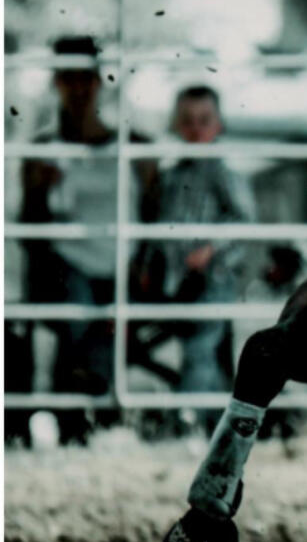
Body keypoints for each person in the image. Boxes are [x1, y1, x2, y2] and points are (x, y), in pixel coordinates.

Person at [16, 35, 159, 441]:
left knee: (98, 313)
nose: (77, 89)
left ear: (99, 82)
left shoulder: (135, 148)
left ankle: (82, 413)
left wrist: (144, 264)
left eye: (85, 79)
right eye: (67, 79)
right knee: (78, 307)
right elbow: (31, 231)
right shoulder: (42, 151)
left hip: (123, 267)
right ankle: (85, 414)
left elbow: (153, 221)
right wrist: (41, 190)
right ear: (56, 84)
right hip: (69, 266)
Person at [157, 85, 253, 399]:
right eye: (187, 120)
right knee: (207, 349)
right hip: (177, 278)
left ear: (219, 124)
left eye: (204, 120)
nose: (196, 129)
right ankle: (214, 420)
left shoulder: (222, 170)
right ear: (176, 124)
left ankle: (187, 417)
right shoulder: (172, 174)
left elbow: (243, 218)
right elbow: (158, 221)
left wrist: (210, 247)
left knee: (200, 347)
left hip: (214, 275)